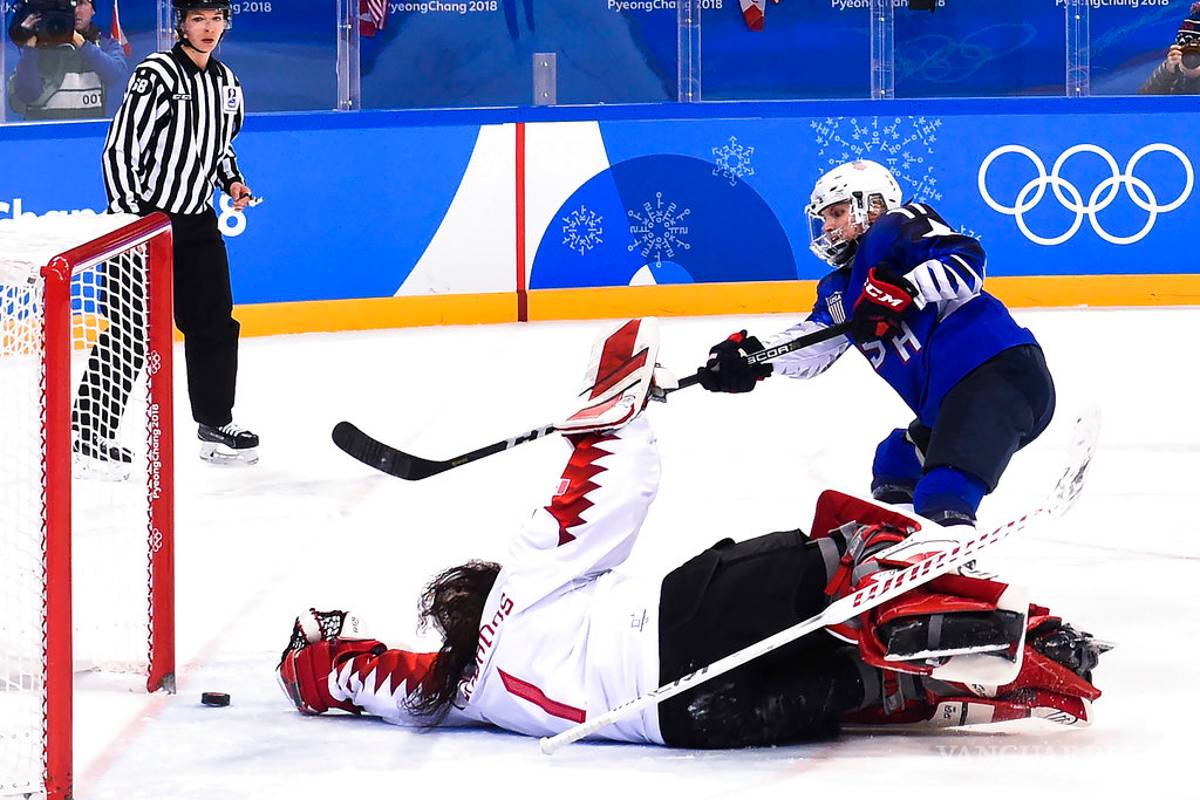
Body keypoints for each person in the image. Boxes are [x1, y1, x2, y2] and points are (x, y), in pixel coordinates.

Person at [276, 318, 1105, 748]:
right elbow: (600, 497)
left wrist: (319, 668)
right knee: (839, 560)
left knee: (852, 682)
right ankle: (929, 615)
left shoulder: (465, 693)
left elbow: (381, 683)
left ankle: (950, 678)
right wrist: (615, 407)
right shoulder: (518, 590)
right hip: (677, 627)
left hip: (694, 723)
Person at [696, 160, 1055, 529]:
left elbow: (967, 262)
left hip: (999, 374)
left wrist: (907, 288)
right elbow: (815, 342)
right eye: (823, 218)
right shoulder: (839, 289)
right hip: (951, 402)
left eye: (836, 212)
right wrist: (755, 357)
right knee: (894, 465)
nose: (828, 226)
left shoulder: (897, 227)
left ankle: (950, 569)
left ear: (874, 206)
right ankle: (896, 553)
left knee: (942, 492)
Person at [81, 0, 258, 467]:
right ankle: (87, 436)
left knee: (214, 323)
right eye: (198, 19)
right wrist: (131, 223)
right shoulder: (156, 72)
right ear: (181, 24)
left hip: (197, 221)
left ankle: (216, 423)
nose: (208, 28)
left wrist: (233, 181)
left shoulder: (226, 83)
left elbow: (220, 147)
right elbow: (119, 149)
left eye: (216, 19)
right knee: (130, 331)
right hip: (144, 223)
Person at [7, 0, 127, 121]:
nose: (75, 11)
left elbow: (115, 74)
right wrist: (30, 46)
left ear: (93, 10)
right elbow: (26, 94)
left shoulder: (105, 45)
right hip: (43, 135)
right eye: (68, 5)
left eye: (80, 3)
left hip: (89, 135)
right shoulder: (36, 47)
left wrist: (82, 44)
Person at [1139, 4, 1200, 95]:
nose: (1192, 55)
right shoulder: (1175, 66)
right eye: (1187, 47)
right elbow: (1143, 101)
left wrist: (1195, 79)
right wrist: (1166, 72)